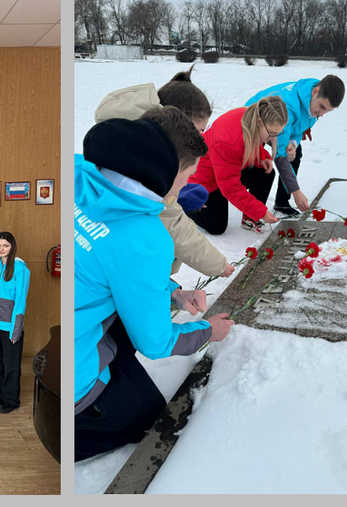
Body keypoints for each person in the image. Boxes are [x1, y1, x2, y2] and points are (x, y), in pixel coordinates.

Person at [74, 106, 235, 461]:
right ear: (169, 170)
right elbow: (156, 343)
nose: (185, 187)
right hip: (73, 370)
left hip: (74, 322)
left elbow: (110, 262)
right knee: (146, 417)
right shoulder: (147, 238)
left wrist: (172, 291)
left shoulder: (77, 170)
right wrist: (207, 331)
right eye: (186, 178)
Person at [94, 64, 235, 279]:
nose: (198, 139)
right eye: (195, 131)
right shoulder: (144, 162)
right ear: (174, 123)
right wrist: (218, 266)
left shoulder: (130, 139)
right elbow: (173, 224)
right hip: (120, 272)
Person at [245, 75, 346, 216]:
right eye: (322, 107)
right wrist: (296, 191)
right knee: (262, 167)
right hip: (253, 127)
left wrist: (292, 143)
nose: (321, 114)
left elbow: (299, 127)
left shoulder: (313, 104)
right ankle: (252, 212)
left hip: (276, 128)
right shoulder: (289, 105)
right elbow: (279, 155)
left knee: (295, 153)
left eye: (327, 111)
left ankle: (282, 202)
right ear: (315, 92)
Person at [187, 96, 288, 235]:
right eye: (271, 134)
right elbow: (231, 188)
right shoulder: (228, 142)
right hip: (205, 179)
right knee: (216, 227)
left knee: (266, 173)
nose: (273, 138)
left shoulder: (252, 118)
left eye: (277, 134)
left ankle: (249, 219)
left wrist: (261, 156)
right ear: (259, 121)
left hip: (227, 169)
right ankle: (185, 205)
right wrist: (261, 212)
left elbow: (250, 142)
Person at [0, 232, 30, 414]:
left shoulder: (20, 269)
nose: (1, 249)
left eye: (5, 245)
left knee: (11, 364)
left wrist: (16, 329)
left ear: (12, 247)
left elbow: (20, 301)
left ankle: (10, 398)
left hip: (9, 326)